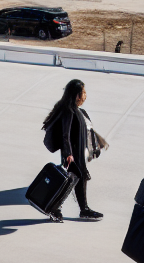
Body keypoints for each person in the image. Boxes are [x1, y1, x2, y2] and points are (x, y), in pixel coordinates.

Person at [41, 79, 102, 222]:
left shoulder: (77, 110)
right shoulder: (68, 111)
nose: (85, 95)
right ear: (76, 95)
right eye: (84, 93)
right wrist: (68, 154)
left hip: (78, 154)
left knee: (78, 180)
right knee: (68, 182)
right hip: (72, 155)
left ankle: (84, 209)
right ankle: (55, 209)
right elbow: (65, 134)